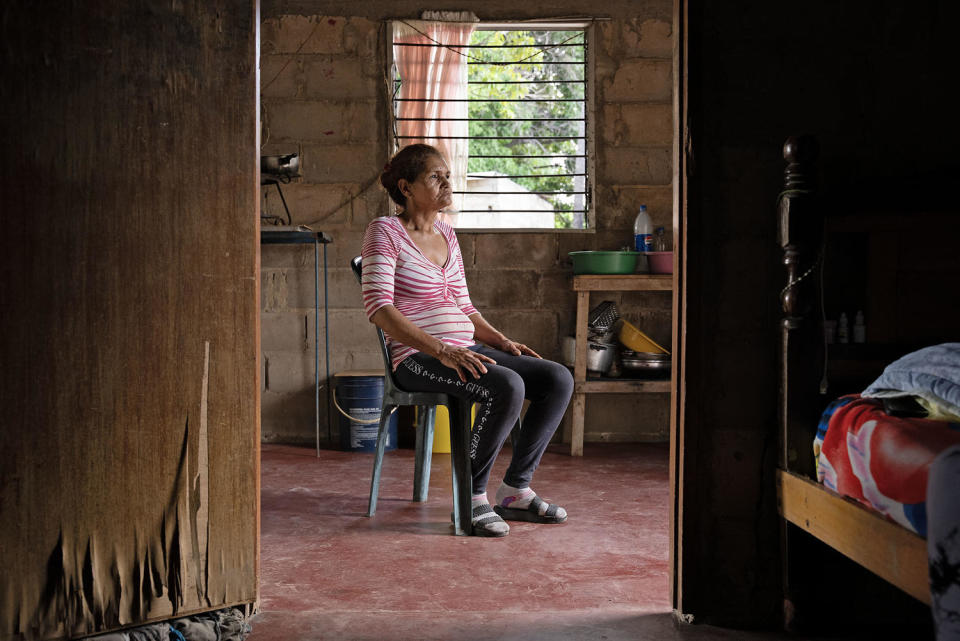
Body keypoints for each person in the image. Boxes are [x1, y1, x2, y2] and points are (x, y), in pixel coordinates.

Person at [361, 143, 574, 537]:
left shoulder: (446, 232)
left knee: (556, 378)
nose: (447, 183)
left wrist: (501, 341)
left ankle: (514, 491)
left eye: (447, 175)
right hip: (417, 359)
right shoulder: (384, 232)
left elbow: (463, 305)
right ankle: (471, 498)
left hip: (463, 351)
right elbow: (379, 309)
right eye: (435, 177)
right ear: (406, 188)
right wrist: (441, 350)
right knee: (507, 385)